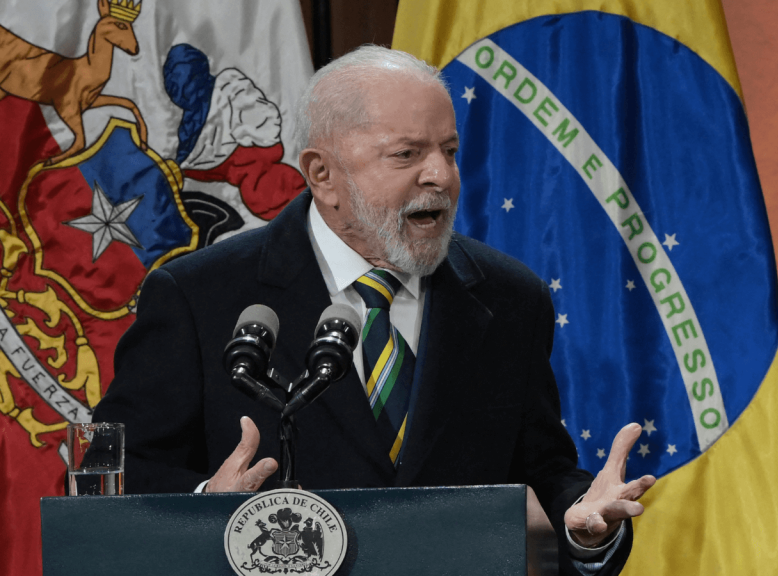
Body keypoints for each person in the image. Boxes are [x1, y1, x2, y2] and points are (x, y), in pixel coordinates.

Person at [92, 46, 655, 575]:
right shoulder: (200, 295)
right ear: (322, 174)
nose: (441, 176)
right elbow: (115, 477)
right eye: (407, 154)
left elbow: (543, 470)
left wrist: (586, 528)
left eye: (450, 152)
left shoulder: (508, 297)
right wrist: (206, 510)